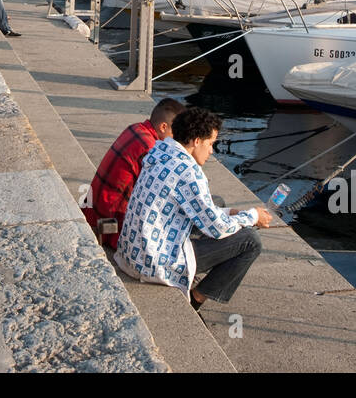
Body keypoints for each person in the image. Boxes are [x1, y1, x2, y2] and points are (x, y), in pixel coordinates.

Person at [115, 107, 270, 310]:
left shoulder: (159, 150)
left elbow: (199, 207)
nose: (212, 151)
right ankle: (196, 299)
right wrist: (251, 215)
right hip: (153, 263)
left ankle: (195, 276)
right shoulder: (189, 173)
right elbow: (216, 228)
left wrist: (230, 212)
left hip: (130, 252)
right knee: (250, 241)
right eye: (211, 143)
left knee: (219, 203)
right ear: (196, 141)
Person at [83, 98, 187, 249]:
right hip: (112, 227)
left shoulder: (135, 128)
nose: (178, 140)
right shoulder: (151, 149)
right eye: (177, 133)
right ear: (163, 127)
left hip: (94, 213)